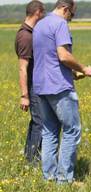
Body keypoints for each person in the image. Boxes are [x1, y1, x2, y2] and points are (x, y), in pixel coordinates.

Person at [33, 0, 91, 183]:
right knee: (72, 130)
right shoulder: (60, 23)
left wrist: (71, 72)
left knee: (49, 131)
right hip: (59, 86)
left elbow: (48, 58)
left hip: (41, 85)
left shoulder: (40, 24)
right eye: (72, 14)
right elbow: (63, 55)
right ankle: (64, 179)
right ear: (65, 9)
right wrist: (84, 68)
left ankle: (49, 177)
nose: (71, 19)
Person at [14, 0, 46, 164]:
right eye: (43, 13)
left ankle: (29, 157)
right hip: (33, 87)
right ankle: (33, 161)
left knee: (37, 122)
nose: (44, 16)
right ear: (38, 13)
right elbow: (22, 68)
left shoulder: (30, 32)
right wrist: (24, 95)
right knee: (40, 122)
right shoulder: (25, 36)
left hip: (36, 85)